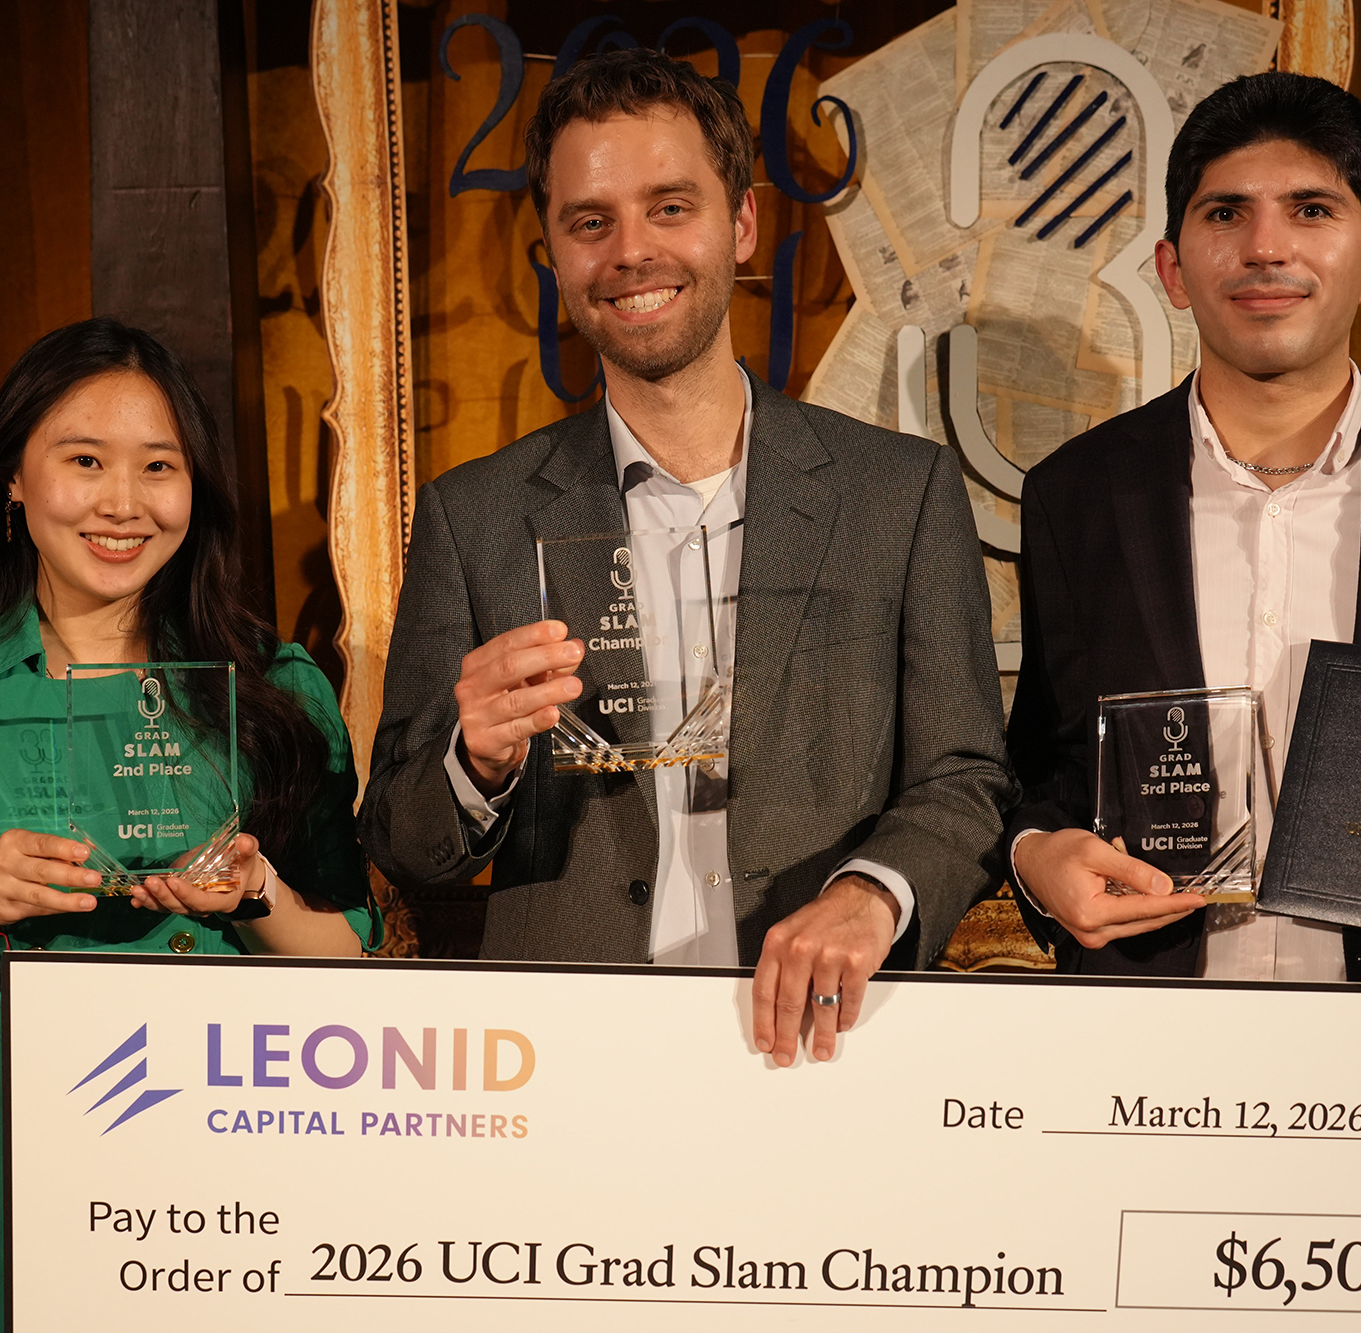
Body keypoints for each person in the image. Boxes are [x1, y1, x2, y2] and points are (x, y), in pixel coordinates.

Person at [361, 49, 1010, 1065]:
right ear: (553, 251)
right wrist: (473, 760)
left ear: (741, 222)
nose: (630, 251)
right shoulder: (472, 516)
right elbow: (401, 845)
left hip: (826, 1047)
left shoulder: (898, 492)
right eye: (591, 221)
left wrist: (870, 892)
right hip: (561, 1060)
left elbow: (963, 776)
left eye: (669, 207)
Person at [0, 319, 378, 1331]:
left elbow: (356, 970)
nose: (124, 503)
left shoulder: (277, 688)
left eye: (158, 466)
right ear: (14, 481)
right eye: (84, 461)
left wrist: (256, 893)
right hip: (17, 1149)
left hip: (242, 1155)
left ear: (193, 489)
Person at [1003, 71, 1361, 982]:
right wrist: (1036, 855)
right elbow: (1048, 764)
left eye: (1309, 210)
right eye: (1225, 214)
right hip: (1146, 1031)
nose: (1266, 249)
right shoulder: (1078, 494)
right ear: (1173, 269)